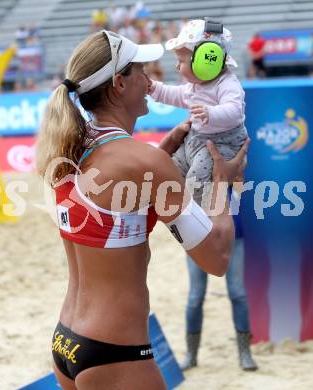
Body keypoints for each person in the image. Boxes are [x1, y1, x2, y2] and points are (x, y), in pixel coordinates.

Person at [36, 30, 249, 390]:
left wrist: (160, 154)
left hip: (67, 341)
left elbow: (116, 208)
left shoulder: (71, 144)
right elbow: (217, 257)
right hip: (114, 350)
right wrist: (223, 186)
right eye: (141, 71)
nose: (150, 79)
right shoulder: (141, 160)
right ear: (119, 83)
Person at [149, 19, 248, 205]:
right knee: (169, 170)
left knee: (195, 181)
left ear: (206, 61)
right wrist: (154, 89)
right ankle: (171, 210)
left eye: (180, 61)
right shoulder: (194, 86)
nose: (177, 66)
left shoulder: (227, 84)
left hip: (222, 144)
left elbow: (235, 110)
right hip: (195, 141)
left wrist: (211, 113)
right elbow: (176, 95)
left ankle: (196, 217)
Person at [180, 185, 258, 372]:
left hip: (234, 236)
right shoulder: (193, 161)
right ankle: (191, 354)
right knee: (195, 297)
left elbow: (246, 192)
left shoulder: (231, 160)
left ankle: (244, 353)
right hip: (198, 236)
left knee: (237, 294)